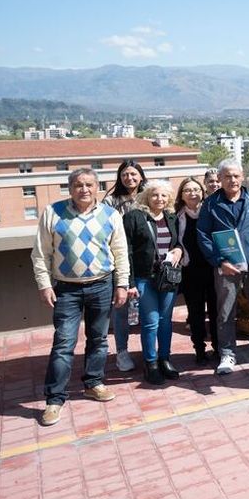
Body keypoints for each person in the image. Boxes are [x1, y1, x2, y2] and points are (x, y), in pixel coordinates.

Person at [32, 168, 129, 426]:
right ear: (70, 188)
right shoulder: (53, 212)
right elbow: (41, 254)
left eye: (88, 184)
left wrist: (122, 284)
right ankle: (54, 399)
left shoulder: (110, 215)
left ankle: (93, 383)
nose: (83, 189)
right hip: (66, 289)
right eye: (78, 185)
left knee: (98, 339)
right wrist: (44, 285)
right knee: (63, 343)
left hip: (102, 285)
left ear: (97, 187)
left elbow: (120, 252)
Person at [196, 159, 249, 375]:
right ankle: (227, 353)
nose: (232, 180)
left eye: (235, 176)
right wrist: (219, 262)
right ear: (220, 179)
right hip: (226, 267)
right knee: (225, 311)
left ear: (242, 177)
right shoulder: (211, 204)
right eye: (227, 176)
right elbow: (203, 236)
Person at [123, 180, 184, 384]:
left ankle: (165, 359)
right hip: (143, 277)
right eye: (155, 195)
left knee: (165, 321)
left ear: (169, 199)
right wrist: (129, 282)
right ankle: (151, 363)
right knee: (150, 322)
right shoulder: (134, 217)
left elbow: (176, 242)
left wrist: (178, 249)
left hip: (167, 277)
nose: (159, 199)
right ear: (147, 196)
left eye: (164, 196)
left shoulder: (171, 217)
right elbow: (127, 251)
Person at [103, 159, 147, 373]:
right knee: (120, 308)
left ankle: (150, 352)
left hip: (146, 260)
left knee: (148, 308)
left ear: (140, 176)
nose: (129, 178)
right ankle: (122, 352)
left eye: (133, 174)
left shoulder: (149, 195)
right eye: (125, 175)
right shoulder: (111, 201)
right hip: (120, 259)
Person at [175, 177, 217, 364]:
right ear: (181, 195)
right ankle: (199, 349)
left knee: (217, 312)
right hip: (190, 271)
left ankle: (218, 347)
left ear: (202, 192)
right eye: (187, 190)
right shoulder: (175, 217)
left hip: (213, 268)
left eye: (196, 189)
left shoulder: (211, 211)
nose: (192, 193)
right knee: (195, 312)